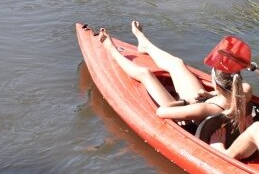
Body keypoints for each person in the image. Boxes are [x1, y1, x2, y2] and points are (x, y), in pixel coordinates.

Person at [98, 21, 250, 133]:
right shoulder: (245, 90)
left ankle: (113, 51)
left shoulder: (204, 109)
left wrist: (185, 101)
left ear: (216, 83)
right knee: (178, 64)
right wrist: (209, 94)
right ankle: (144, 44)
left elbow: (162, 112)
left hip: (187, 115)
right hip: (203, 104)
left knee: (145, 74)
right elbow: (225, 94)